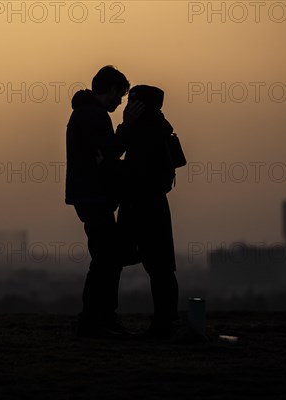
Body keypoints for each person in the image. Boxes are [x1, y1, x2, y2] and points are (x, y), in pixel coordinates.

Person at [65, 65, 144, 337]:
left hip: (89, 196)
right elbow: (109, 152)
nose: (120, 102)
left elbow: (104, 156)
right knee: (105, 259)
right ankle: (94, 320)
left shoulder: (84, 113)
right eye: (119, 96)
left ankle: (99, 318)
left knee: (105, 257)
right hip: (94, 196)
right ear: (110, 90)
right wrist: (127, 126)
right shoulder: (94, 115)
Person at [116, 84, 180, 338]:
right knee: (161, 268)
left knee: (127, 261)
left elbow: (135, 172)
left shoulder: (146, 132)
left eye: (133, 103)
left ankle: (163, 323)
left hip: (141, 205)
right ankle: (165, 320)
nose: (128, 107)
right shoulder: (158, 128)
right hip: (152, 206)